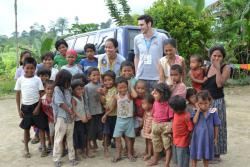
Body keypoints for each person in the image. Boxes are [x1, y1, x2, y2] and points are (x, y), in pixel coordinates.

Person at [202, 45, 231, 161]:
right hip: (206, 103)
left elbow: (219, 84)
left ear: (223, 57)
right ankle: (208, 151)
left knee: (217, 127)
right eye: (214, 55)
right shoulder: (207, 67)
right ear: (210, 56)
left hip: (217, 102)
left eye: (219, 56)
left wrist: (218, 68)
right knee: (206, 127)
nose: (217, 58)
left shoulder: (226, 68)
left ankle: (217, 154)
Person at [14, 57, 46, 158]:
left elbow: (41, 94)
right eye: (27, 68)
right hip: (25, 108)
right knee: (26, 129)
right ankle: (26, 149)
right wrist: (19, 110)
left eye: (32, 68)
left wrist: (38, 107)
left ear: (35, 69)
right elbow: (18, 95)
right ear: (23, 68)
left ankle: (43, 147)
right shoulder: (20, 80)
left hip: (36, 106)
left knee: (41, 128)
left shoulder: (37, 80)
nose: (29, 70)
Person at [134, 15, 168, 91]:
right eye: (139, 25)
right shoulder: (137, 38)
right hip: (141, 77)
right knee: (143, 102)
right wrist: (137, 74)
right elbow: (136, 57)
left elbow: (169, 56)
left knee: (157, 102)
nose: (139, 27)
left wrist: (163, 76)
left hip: (157, 78)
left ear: (149, 24)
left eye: (142, 25)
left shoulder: (162, 37)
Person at [52, 70, 78, 167]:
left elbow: (70, 98)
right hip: (61, 117)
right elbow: (60, 103)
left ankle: (72, 158)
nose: (69, 82)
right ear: (63, 80)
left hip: (70, 117)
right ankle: (56, 159)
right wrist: (70, 111)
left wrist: (72, 103)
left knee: (70, 138)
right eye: (68, 81)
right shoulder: (57, 89)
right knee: (58, 139)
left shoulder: (68, 89)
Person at [190, 90, 221, 167]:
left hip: (208, 138)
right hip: (197, 138)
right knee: (194, 156)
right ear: (197, 103)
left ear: (209, 102)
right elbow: (194, 121)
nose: (203, 106)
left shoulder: (213, 112)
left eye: (205, 103)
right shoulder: (195, 111)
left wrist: (215, 138)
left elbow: (216, 125)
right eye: (200, 103)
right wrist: (198, 110)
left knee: (206, 157)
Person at [111, 77, 137, 163]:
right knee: (117, 138)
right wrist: (106, 115)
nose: (123, 89)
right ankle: (118, 154)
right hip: (119, 120)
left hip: (129, 119)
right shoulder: (116, 96)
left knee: (128, 138)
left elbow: (135, 95)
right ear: (116, 88)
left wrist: (130, 86)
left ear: (127, 86)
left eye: (125, 87)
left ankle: (129, 153)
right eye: (120, 88)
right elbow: (113, 107)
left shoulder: (129, 95)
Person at [148, 83, 173, 167]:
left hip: (165, 126)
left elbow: (171, 118)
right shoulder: (155, 102)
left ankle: (167, 163)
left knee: (167, 145)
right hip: (155, 125)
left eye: (156, 93)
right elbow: (152, 114)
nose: (153, 94)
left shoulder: (169, 104)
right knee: (156, 143)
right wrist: (150, 127)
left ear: (162, 94)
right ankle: (155, 160)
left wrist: (171, 128)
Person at [169, 95, 193, 167]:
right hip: (176, 140)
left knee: (183, 159)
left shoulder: (186, 116)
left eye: (172, 108)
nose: (171, 109)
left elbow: (190, 128)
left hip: (183, 141)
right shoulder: (176, 113)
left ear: (178, 109)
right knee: (178, 158)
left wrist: (188, 138)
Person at [84, 67, 103, 152]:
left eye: (98, 75)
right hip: (91, 112)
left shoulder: (101, 86)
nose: (96, 77)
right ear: (88, 77)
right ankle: (88, 145)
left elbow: (102, 99)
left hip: (99, 111)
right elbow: (86, 100)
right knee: (90, 129)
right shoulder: (86, 87)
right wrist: (87, 112)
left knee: (98, 128)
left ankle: (94, 142)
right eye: (93, 75)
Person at [101, 70, 117, 157]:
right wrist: (101, 95)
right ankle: (105, 149)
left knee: (115, 133)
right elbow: (103, 102)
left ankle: (118, 147)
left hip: (115, 115)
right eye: (105, 80)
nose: (107, 82)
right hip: (106, 115)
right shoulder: (104, 90)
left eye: (110, 80)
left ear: (114, 80)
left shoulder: (116, 89)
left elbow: (114, 104)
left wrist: (106, 113)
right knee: (106, 133)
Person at [71, 79, 88, 160]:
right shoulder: (73, 99)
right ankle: (76, 153)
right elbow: (74, 110)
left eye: (82, 88)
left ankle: (83, 151)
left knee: (82, 136)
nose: (81, 90)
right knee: (76, 137)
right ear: (73, 90)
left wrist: (86, 115)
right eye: (78, 89)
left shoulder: (81, 97)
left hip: (82, 120)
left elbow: (83, 107)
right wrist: (81, 118)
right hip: (77, 121)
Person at [41, 80, 55, 154]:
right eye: (48, 89)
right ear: (44, 89)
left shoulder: (56, 97)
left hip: (58, 119)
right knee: (52, 133)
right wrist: (51, 117)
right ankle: (53, 147)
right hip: (50, 120)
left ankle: (61, 146)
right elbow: (45, 110)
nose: (50, 91)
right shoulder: (43, 99)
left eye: (51, 89)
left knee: (59, 133)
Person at [141, 94, 154, 161]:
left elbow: (154, 120)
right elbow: (144, 117)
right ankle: (148, 152)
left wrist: (151, 128)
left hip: (150, 129)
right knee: (147, 140)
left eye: (144, 104)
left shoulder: (153, 111)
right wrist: (142, 123)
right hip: (146, 128)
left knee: (151, 142)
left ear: (151, 104)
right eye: (142, 104)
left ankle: (152, 154)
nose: (142, 105)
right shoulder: (146, 110)